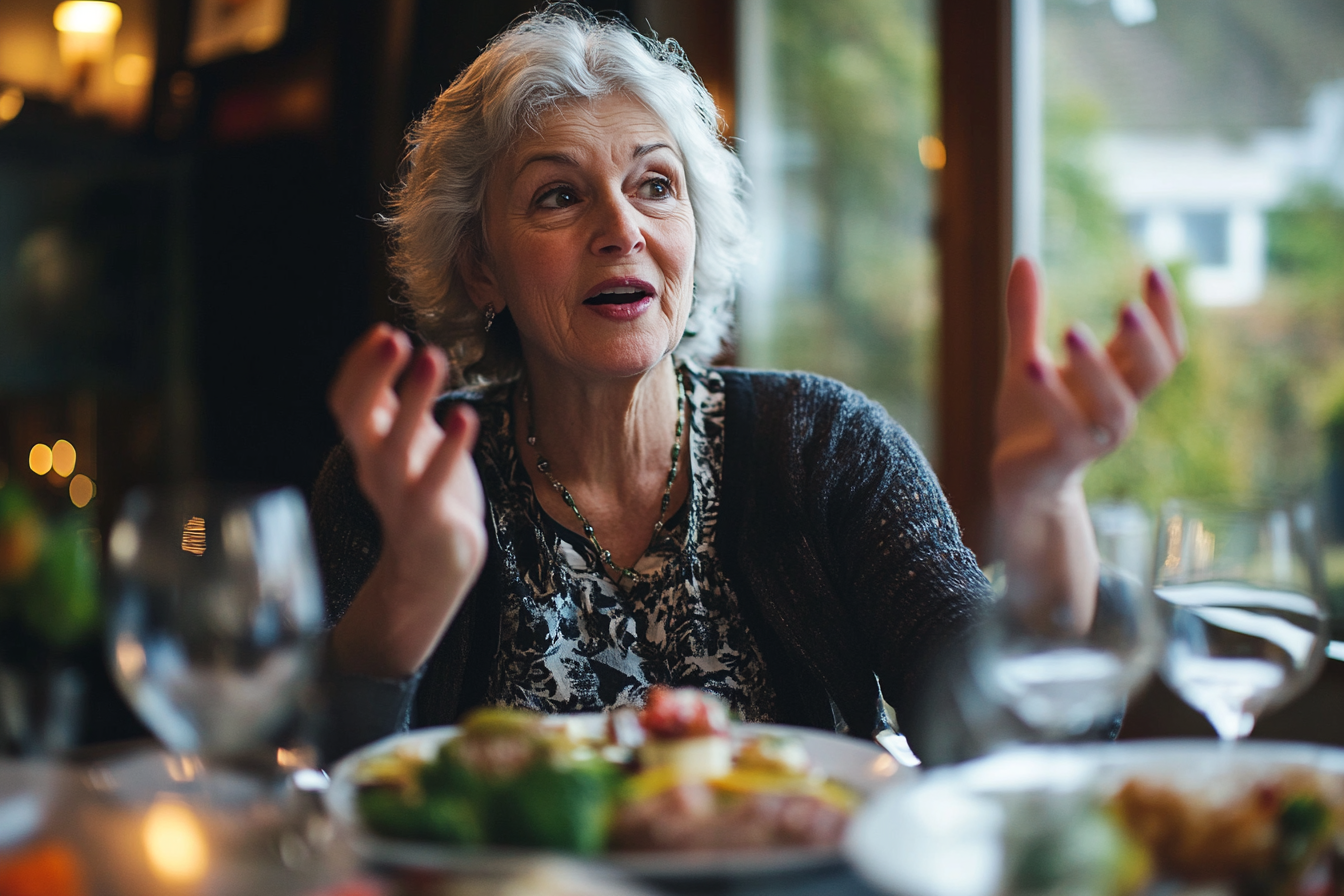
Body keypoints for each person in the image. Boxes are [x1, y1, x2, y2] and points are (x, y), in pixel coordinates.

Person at [312, 6, 1184, 761]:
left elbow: (994, 741)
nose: (623, 228)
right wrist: (415, 587)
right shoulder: (402, 477)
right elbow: (309, 783)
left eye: (655, 185)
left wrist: (1046, 511)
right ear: (480, 268)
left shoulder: (826, 443)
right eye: (556, 197)